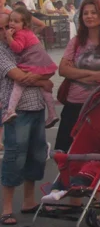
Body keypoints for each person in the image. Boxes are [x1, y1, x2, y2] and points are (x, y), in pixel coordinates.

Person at [0, 13, 52, 226]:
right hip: (17, 111)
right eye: (4, 28)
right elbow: (19, 76)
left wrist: (41, 80)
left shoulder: (27, 43)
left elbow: (47, 75)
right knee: (15, 156)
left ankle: (29, 201)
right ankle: (7, 207)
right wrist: (41, 80)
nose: (8, 30)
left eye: (12, 25)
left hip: (37, 106)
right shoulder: (3, 51)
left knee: (36, 154)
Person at [55, 0, 100, 152]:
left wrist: (75, 73)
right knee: (64, 152)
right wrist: (93, 73)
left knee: (94, 154)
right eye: (85, 13)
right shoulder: (76, 42)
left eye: (93, 12)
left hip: (97, 104)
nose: (89, 16)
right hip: (73, 104)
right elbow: (63, 70)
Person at [3, 7, 58, 128]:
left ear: (25, 24)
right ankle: (52, 113)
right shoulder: (27, 33)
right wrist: (43, 82)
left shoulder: (20, 34)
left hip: (33, 62)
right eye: (10, 21)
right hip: (41, 61)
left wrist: (9, 37)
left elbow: (17, 48)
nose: (11, 25)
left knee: (19, 84)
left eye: (16, 22)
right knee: (45, 89)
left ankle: (10, 110)